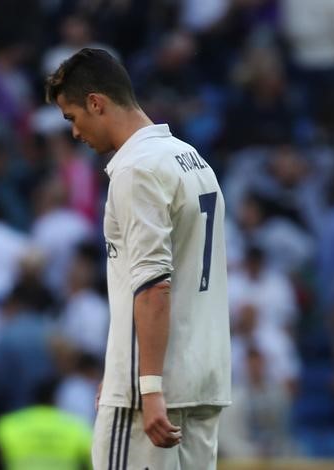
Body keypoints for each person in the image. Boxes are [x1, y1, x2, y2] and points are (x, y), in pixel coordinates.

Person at [46, 48, 231, 469]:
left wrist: (145, 387)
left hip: (150, 395)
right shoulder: (193, 160)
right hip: (203, 382)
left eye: (71, 117)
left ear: (96, 103)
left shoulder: (136, 170)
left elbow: (153, 286)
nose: (74, 133)